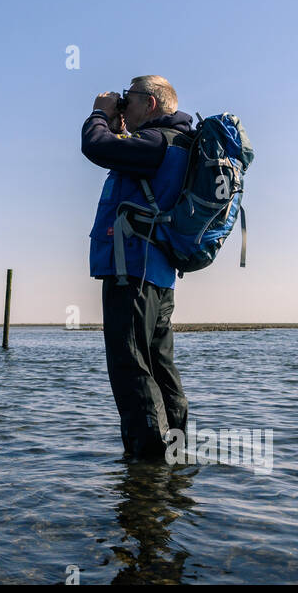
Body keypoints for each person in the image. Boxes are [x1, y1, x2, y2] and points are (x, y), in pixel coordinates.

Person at [81, 75, 196, 458]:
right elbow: (117, 149)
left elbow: (95, 147)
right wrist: (118, 126)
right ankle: (175, 456)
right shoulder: (174, 143)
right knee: (159, 366)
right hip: (157, 276)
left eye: (127, 99)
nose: (121, 104)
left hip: (131, 269)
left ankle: (148, 464)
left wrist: (99, 113)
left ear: (150, 104)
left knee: (131, 366)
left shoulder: (155, 143)